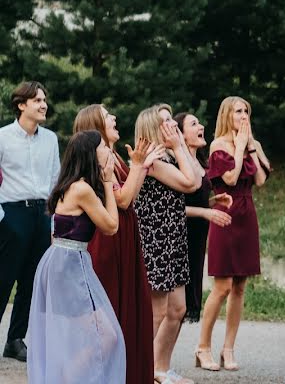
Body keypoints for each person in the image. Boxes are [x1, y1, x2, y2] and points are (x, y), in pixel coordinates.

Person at [26, 130, 125, 383]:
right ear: (91, 153)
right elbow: (111, 226)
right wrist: (107, 181)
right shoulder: (81, 188)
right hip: (69, 264)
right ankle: (67, 378)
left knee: (89, 335)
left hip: (67, 261)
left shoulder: (72, 185)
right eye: (103, 146)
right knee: (106, 335)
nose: (108, 150)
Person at [76, 104, 162, 384]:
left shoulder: (115, 156)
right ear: (95, 125)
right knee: (110, 313)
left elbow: (130, 198)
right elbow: (122, 199)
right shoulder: (95, 160)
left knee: (129, 310)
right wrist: (139, 166)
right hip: (108, 241)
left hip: (125, 236)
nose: (113, 117)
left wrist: (140, 166)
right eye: (106, 114)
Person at [197, 97, 270, 372]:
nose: (243, 116)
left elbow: (260, 180)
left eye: (246, 112)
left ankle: (228, 348)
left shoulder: (249, 143)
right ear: (227, 114)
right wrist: (239, 147)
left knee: (240, 286)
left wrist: (251, 147)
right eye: (238, 111)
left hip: (247, 215)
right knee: (222, 286)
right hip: (224, 213)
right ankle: (203, 347)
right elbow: (229, 179)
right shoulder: (218, 146)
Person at [133, 104, 203, 384]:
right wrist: (178, 145)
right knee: (156, 312)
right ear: (152, 128)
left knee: (177, 309)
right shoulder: (152, 162)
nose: (173, 126)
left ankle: (159, 368)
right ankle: (136, 368)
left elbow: (197, 176)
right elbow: (190, 184)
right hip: (156, 240)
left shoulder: (171, 156)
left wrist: (179, 146)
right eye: (166, 123)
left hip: (173, 238)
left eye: (173, 123)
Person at [0, 81, 60, 363]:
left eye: (44, 100)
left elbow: (55, 179)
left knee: (30, 281)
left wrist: (52, 220)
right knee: (3, 278)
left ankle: (14, 340)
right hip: (11, 214)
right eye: (37, 100)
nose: (43, 104)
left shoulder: (50, 139)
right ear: (21, 105)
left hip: (42, 214)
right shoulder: (2, 137)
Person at [175, 111, 233, 332]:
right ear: (181, 134)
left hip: (197, 239)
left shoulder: (200, 162)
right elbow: (171, 208)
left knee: (184, 306)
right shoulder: (178, 164)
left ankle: (162, 362)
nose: (201, 126)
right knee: (175, 308)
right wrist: (205, 213)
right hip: (180, 237)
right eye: (193, 124)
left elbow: (194, 201)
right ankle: (157, 362)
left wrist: (212, 202)